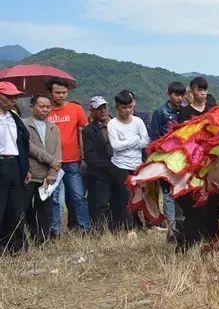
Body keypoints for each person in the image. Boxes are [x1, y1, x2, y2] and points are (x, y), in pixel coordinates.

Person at [46, 76, 90, 234]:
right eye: (57, 92)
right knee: (54, 199)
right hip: (52, 162)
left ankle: (85, 228)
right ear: (50, 92)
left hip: (73, 160)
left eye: (64, 92)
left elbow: (82, 134)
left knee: (78, 196)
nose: (61, 95)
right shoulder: (45, 109)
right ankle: (54, 231)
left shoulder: (76, 109)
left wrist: (83, 157)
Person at [107, 91, 150, 230]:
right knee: (125, 197)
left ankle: (140, 224)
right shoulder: (112, 124)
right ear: (117, 108)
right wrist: (135, 139)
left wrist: (126, 142)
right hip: (120, 165)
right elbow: (115, 146)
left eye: (130, 107)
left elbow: (145, 141)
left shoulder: (138, 121)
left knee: (138, 196)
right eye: (124, 108)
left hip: (136, 165)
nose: (128, 110)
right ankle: (129, 227)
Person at [22, 95, 61, 245]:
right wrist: (51, 161)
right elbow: (29, 147)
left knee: (45, 209)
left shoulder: (54, 127)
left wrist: (53, 172)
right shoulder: (24, 125)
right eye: (41, 106)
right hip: (29, 174)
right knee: (24, 207)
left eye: (48, 106)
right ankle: (25, 236)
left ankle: (42, 240)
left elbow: (58, 152)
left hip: (47, 176)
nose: (45, 109)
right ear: (32, 107)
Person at [149, 81, 185, 236]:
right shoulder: (160, 112)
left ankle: (181, 228)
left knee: (181, 192)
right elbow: (155, 137)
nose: (179, 98)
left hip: (182, 159)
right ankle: (172, 231)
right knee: (169, 194)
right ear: (169, 94)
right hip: (166, 158)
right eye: (176, 94)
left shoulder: (184, 112)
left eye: (182, 95)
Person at [0, 82, 29, 254]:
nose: (13, 100)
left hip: (15, 165)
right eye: (9, 96)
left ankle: (16, 247)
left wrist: (25, 167)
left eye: (15, 96)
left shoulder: (14, 117)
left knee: (16, 209)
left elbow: (23, 142)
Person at [82, 96, 117, 230]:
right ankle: (100, 230)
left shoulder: (117, 124)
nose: (103, 111)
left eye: (104, 107)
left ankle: (119, 228)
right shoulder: (88, 130)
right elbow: (89, 154)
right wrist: (108, 166)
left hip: (120, 170)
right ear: (92, 111)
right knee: (100, 203)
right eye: (98, 109)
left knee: (119, 201)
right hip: (99, 173)